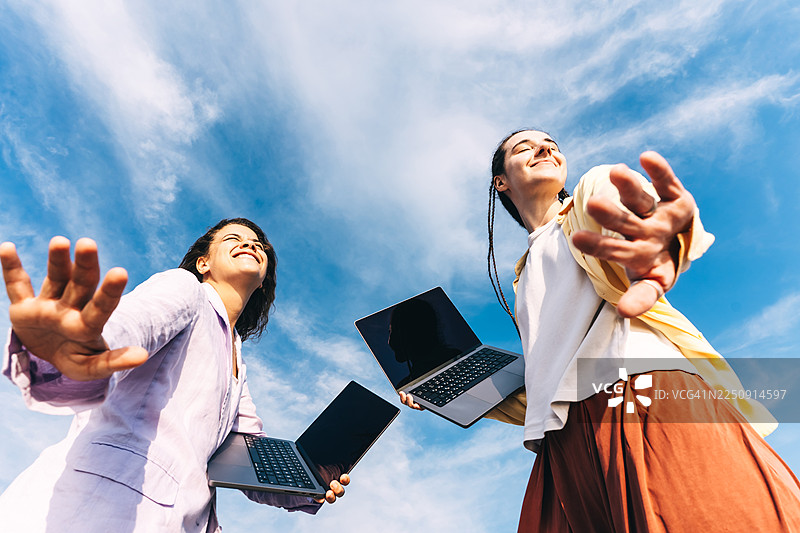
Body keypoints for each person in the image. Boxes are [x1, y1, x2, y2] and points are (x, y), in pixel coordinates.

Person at [403, 130, 800, 531]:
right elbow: (550, 388)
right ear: (500, 182)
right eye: (524, 147)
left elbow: (617, 208)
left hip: (638, 395)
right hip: (560, 439)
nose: (545, 148)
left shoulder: (587, 198)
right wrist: (447, 393)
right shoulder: (523, 277)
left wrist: (653, 233)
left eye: (551, 144)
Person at [0, 218, 349, 533]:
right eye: (233, 238)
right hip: (96, 509)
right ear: (204, 263)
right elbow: (131, 326)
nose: (251, 244)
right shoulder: (186, 289)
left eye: (259, 245)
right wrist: (80, 348)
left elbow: (246, 456)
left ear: (262, 282)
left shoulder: (237, 359)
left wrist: (310, 481)